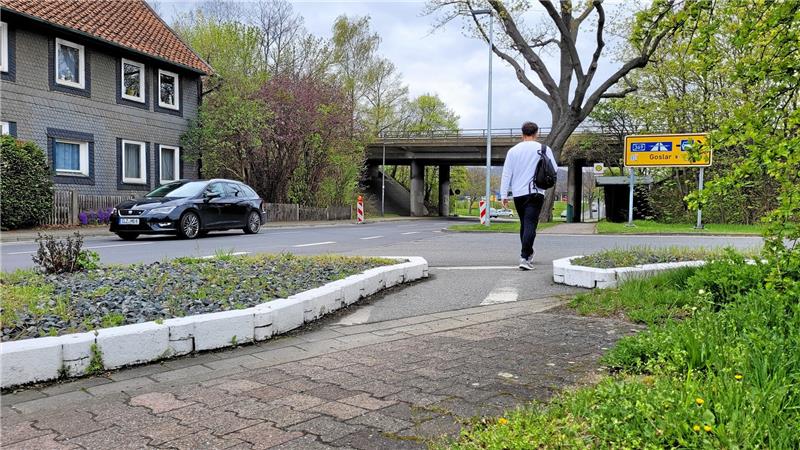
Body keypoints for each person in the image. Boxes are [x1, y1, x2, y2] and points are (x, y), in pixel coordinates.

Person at [499, 122, 558, 270]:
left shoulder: (513, 151)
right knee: (531, 224)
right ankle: (525, 257)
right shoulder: (543, 149)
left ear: (522, 133)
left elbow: (507, 174)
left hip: (518, 194)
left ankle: (528, 253)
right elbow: (554, 169)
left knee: (525, 225)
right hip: (536, 191)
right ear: (537, 133)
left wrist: (504, 195)